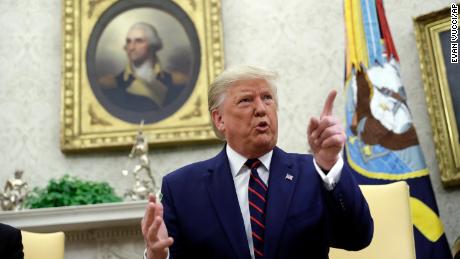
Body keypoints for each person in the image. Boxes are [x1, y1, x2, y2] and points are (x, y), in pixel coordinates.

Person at [141, 65, 374, 259]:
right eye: (245, 100)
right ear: (219, 119)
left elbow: (358, 238)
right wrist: (156, 255)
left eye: (267, 98)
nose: (261, 109)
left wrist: (330, 163)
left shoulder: (315, 173)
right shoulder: (182, 188)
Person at [100, 22, 183, 112]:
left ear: (152, 45)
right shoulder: (111, 85)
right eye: (128, 41)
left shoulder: (176, 81)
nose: (131, 47)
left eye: (138, 41)